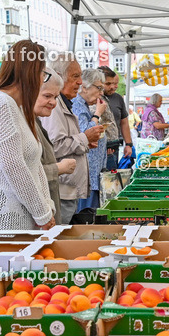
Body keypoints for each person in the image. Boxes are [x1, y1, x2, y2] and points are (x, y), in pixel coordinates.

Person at [0, 41, 55, 230]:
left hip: (19, 218)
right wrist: (42, 214)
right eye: (43, 73)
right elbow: (13, 166)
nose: (43, 80)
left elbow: (34, 165)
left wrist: (46, 208)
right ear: (31, 72)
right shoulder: (1, 104)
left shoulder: (18, 108)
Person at [43, 53, 103, 223]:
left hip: (67, 189)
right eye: (75, 76)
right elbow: (55, 146)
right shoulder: (54, 107)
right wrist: (84, 138)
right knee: (58, 233)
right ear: (59, 77)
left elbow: (62, 141)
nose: (80, 82)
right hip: (61, 190)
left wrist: (85, 143)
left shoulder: (63, 103)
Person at [35, 70, 77, 224]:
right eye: (47, 96)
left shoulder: (35, 121)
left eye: (56, 97)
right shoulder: (26, 124)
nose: (53, 102)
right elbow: (23, 174)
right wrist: (59, 168)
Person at [73, 69, 109, 211]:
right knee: (87, 213)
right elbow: (85, 134)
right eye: (99, 88)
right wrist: (98, 113)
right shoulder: (77, 104)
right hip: (87, 175)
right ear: (84, 87)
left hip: (93, 173)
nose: (101, 93)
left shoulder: (83, 105)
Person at [100, 66, 133, 169]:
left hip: (113, 147)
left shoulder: (118, 98)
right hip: (98, 147)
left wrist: (128, 144)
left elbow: (124, 122)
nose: (113, 87)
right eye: (108, 84)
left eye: (114, 83)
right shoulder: (93, 98)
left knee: (112, 174)